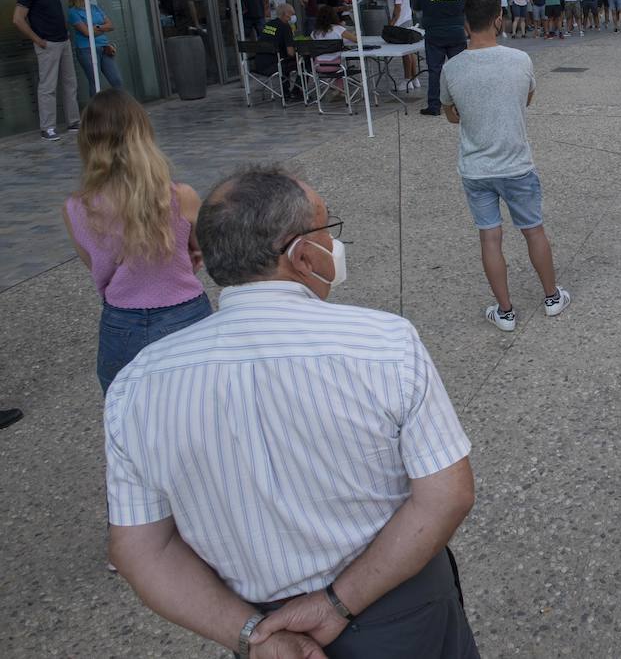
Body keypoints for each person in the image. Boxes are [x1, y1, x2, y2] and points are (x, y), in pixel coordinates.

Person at [104, 165, 479, 658]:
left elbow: (140, 549)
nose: (333, 246)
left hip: (258, 624)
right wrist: (336, 604)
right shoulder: (385, 343)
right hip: (398, 611)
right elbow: (446, 495)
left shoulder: (136, 384)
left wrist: (253, 635)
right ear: (302, 254)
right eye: (328, 232)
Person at [62, 89, 211, 394]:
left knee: (128, 416)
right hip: (185, 312)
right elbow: (201, 248)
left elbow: (96, 265)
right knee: (200, 407)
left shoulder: (75, 208)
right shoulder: (180, 196)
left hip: (120, 321)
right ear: (143, 135)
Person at [439, 0, 570, 330]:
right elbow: (526, 99)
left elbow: (452, 116)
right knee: (533, 231)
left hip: (476, 167)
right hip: (516, 164)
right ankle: (552, 297)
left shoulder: (451, 68)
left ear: (465, 24)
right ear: (499, 19)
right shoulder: (519, 60)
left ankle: (506, 311)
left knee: (490, 238)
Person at [14, 0, 78, 141]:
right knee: (48, 86)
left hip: (63, 41)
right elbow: (18, 19)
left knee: (70, 83)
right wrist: (38, 40)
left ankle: (73, 121)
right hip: (47, 44)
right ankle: (48, 127)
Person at [414, 0, 468, 116]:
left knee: (435, 70)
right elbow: (466, 9)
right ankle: (461, 104)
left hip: (434, 35)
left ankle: (434, 105)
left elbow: (416, 8)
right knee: (458, 70)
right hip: (456, 34)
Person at [68, 0, 123, 93]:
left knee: (116, 80)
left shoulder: (95, 8)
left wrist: (96, 28)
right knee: (96, 82)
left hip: (103, 47)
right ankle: (96, 110)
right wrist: (103, 28)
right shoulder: (73, 12)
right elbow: (86, 33)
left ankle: (121, 107)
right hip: (86, 49)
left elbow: (111, 25)